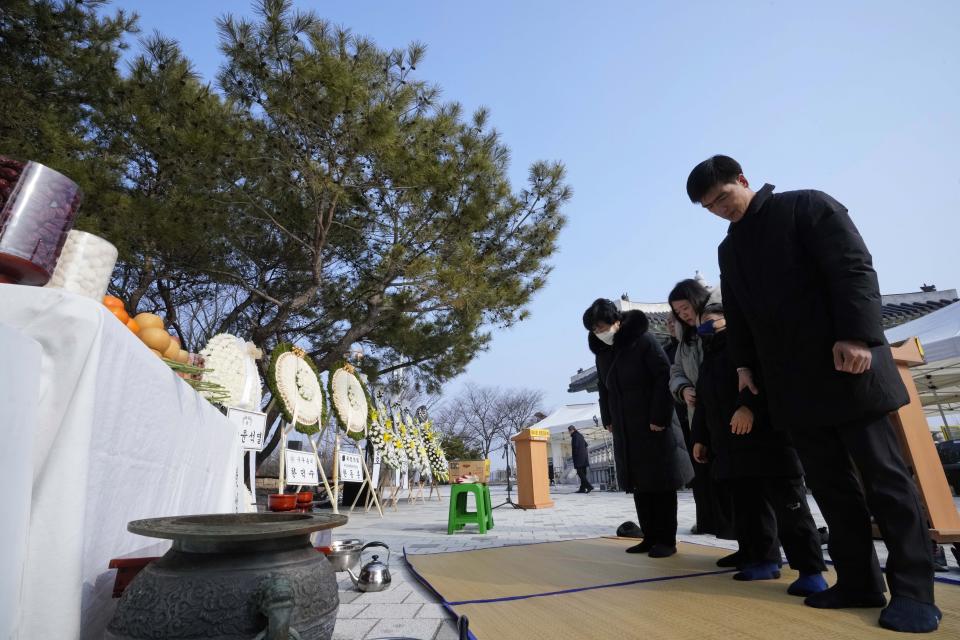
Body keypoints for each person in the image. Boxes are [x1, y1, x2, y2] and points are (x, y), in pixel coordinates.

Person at [687, 155, 940, 633]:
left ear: (742, 180)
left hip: (849, 369)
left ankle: (914, 590)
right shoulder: (730, 249)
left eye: (723, 197)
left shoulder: (807, 207)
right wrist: (743, 365)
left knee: (884, 481)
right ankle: (859, 581)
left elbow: (853, 270)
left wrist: (858, 335)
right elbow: (739, 315)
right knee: (830, 488)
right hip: (792, 388)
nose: (720, 209)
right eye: (709, 207)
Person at [691, 302, 828, 596]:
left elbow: (767, 376)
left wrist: (748, 406)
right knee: (749, 509)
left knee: (790, 508)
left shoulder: (748, 344)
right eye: (701, 323)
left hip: (769, 439)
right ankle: (764, 560)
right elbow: (704, 404)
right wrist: (700, 438)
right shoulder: (709, 359)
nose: (704, 327)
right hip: (731, 446)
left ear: (728, 320)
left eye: (710, 321)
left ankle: (810, 569)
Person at [584, 298, 694, 558]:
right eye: (594, 330)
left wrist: (660, 416)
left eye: (602, 327)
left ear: (617, 322)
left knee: (661, 483)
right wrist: (608, 417)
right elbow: (604, 389)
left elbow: (663, 376)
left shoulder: (643, 341)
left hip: (654, 424)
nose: (600, 333)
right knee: (640, 484)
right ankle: (650, 536)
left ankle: (667, 539)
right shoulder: (603, 353)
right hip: (625, 427)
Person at [668, 278, 737, 559]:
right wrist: (684, 389)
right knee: (720, 482)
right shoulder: (686, 340)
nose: (683, 315)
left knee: (739, 483)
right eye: (677, 311)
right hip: (703, 416)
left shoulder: (716, 327)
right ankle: (741, 543)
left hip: (730, 410)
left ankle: (759, 548)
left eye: (685, 307)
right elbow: (676, 372)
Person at [568, 425, 593, 493]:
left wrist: (575, 455)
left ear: (572, 430)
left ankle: (589, 486)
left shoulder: (574, 436)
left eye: (569, 431)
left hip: (578, 457)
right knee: (583, 473)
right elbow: (586, 444)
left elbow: (575, 447)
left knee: (580, 473)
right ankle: (582, 488)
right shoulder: (580, 435)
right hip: (584, 457)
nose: (569, 432)